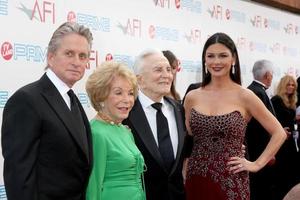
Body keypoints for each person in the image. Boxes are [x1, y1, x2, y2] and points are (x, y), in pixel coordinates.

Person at [183, 32, 286, 200]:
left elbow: (279, 133)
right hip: (196, 177)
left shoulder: (245, 96)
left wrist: (256, 164)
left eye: (223, 55)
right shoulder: (192, 96)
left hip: (231, 179)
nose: (216, 61)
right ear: (204, 60)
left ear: (234, 59)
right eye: (211, 56)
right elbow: (189, 138)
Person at [1, 22, 93, 200]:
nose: (76, 62)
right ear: (50, 57)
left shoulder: (72, 99)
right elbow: (19, 177)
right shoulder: (26, 100)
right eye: (69, 54)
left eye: (83, 56)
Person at [123, 49, 186, 200]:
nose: (166, 75)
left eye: (168, 70)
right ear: (140, 79)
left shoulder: (178, 109)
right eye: (158, 70)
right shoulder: (126, 113)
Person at [85, 61, 145, 200]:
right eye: (118, 93)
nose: (127, 100)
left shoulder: (125, 131)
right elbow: (93, 185)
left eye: (130, 93)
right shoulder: (96, 133)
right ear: (101, 97)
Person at [245, 59, 277, 200]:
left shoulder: (254, 90)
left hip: (255, 152)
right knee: (260, 189)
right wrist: (270, 153)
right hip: (259, 153)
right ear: (268, 75)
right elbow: (260, 129)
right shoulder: (258, 93)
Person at [271, 75, 300, 200]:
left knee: (291, 170)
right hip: (281, 141)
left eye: (293, 85)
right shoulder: (276, 100)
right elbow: (272, 120)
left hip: (291, 141)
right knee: (282, 170)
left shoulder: (292, 101)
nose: (291, 87)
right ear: (283, 85)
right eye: (288, 84)